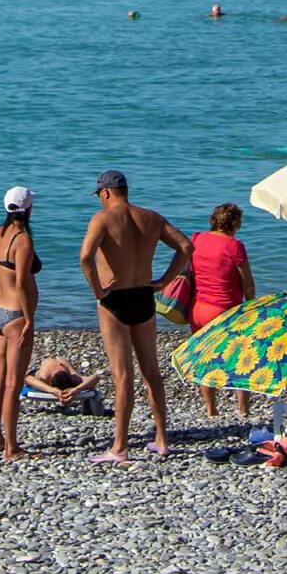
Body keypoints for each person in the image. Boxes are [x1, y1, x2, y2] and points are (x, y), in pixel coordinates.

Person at [78, 169, 191, 463]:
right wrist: (166, 280)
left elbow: (85, 256)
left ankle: (119, 447)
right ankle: (162, 440)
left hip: (114, 299)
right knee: (151, 373)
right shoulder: (150, 217)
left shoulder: (102, 219)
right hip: (143, 295)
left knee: (122, 375)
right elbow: (186, 247)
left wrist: (98, 291)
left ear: (105, 193)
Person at [182, 203, 257, 421]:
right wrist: (251, 305)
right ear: (234, 223)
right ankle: (242, 410)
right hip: (225, 311)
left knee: (204, 359)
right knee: (241, 359)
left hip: (197, 309)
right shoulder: (235, 246)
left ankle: (211, 410)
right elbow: (248, 283)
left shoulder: (196, 239)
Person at [0, 187, 41, 459]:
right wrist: (29, 318)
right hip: (16, 315)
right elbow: (21, 282)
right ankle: (11, 447)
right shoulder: (22, 240)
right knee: (13, 384)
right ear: (28, 209)